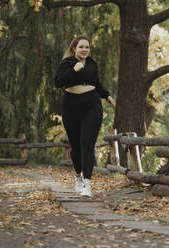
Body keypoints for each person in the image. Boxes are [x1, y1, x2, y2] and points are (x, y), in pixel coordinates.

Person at [54, 34, 115, 197]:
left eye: (87, 47)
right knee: (76, 145)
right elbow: (58, 82)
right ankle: (78, 177)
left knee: (87, 143)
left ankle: (87, 184)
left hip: (92, 104)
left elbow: (96, 82)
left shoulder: (92, 63)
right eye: (81, 47)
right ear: (74, 48)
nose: (84, 50)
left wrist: (106, 95)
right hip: (71, 107)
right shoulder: (66, 63)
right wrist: (74, 70)